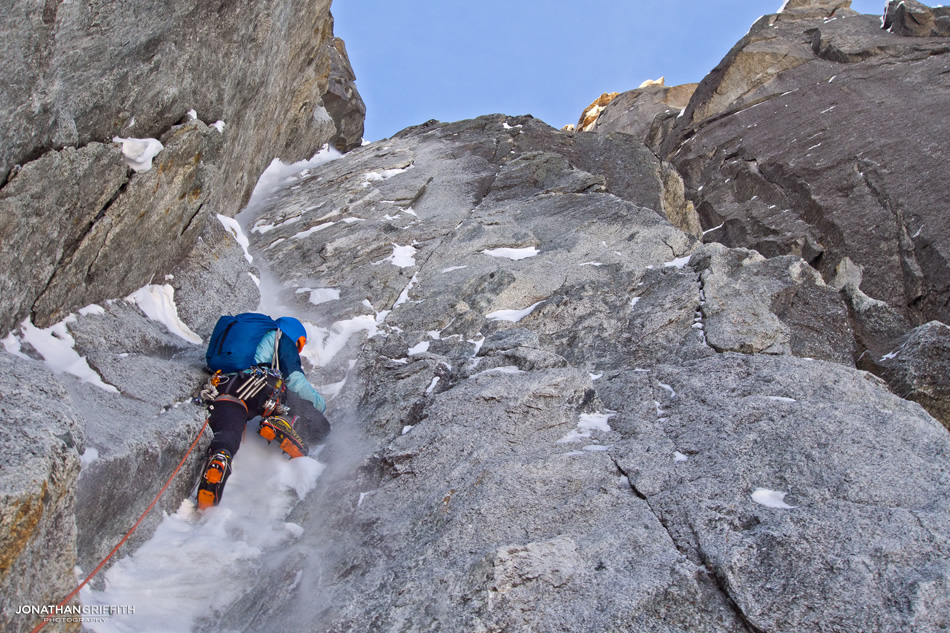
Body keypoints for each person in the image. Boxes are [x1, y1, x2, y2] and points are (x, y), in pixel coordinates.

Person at [197, 313, 329, 509]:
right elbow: (296, 381)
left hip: (224, 386)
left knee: (229, 429)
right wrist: (319, 405)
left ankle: (220, 456)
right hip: (259, 386)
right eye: (300, 345)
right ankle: (284, 422)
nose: (298, 350)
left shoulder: (244, 343)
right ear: (297, 338)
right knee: (320, 425)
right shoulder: (281, 338)